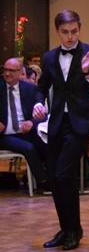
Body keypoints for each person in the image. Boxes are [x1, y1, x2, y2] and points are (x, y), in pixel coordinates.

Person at [33, 10, 89, 251]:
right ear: (57, 32)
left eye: (74, 31)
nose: (70, 36)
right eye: (65, 32)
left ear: (79, 28)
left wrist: (88, 74)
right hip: (57, 122)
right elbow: (41, 88)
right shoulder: (49, 57)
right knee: (54, 178)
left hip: (80, 123)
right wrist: (37, 103)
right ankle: (66, 229)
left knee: (65, 175)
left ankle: (74, 229)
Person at [0, 57, 47, 189]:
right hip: (4, 135)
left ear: (21, 72)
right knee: (28, 148)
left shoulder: (30, 89)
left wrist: (31, 122)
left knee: (49, 143)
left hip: (26, 133)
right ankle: (43, 182)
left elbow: (42, 116)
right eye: (5, 70)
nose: (7, 73)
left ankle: (56, 178)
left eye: (11, 70)